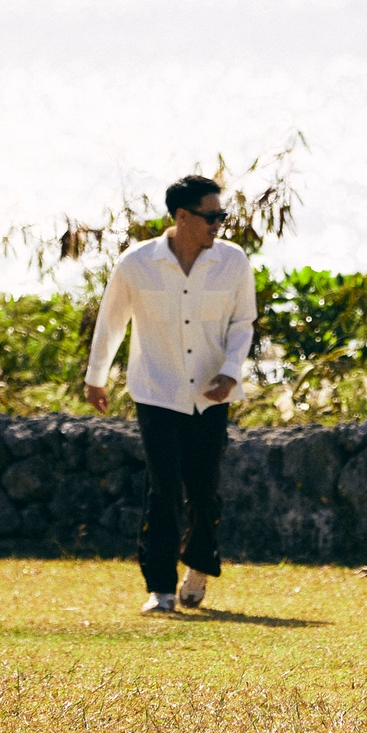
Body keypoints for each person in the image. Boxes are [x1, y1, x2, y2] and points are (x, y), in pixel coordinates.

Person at [85, 174, 258, 615]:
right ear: (182, 216)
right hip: (155, 391)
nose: (219, 224)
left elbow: (243, 325)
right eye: (211, 216)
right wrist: (96, 377)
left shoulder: (233, 262)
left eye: (222, 215)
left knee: (204, 490)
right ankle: (159, 588)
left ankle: (198, 567)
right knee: (162, 490)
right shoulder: (137, 263)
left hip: (211, 394)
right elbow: (111, 322)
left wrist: (230, 373)